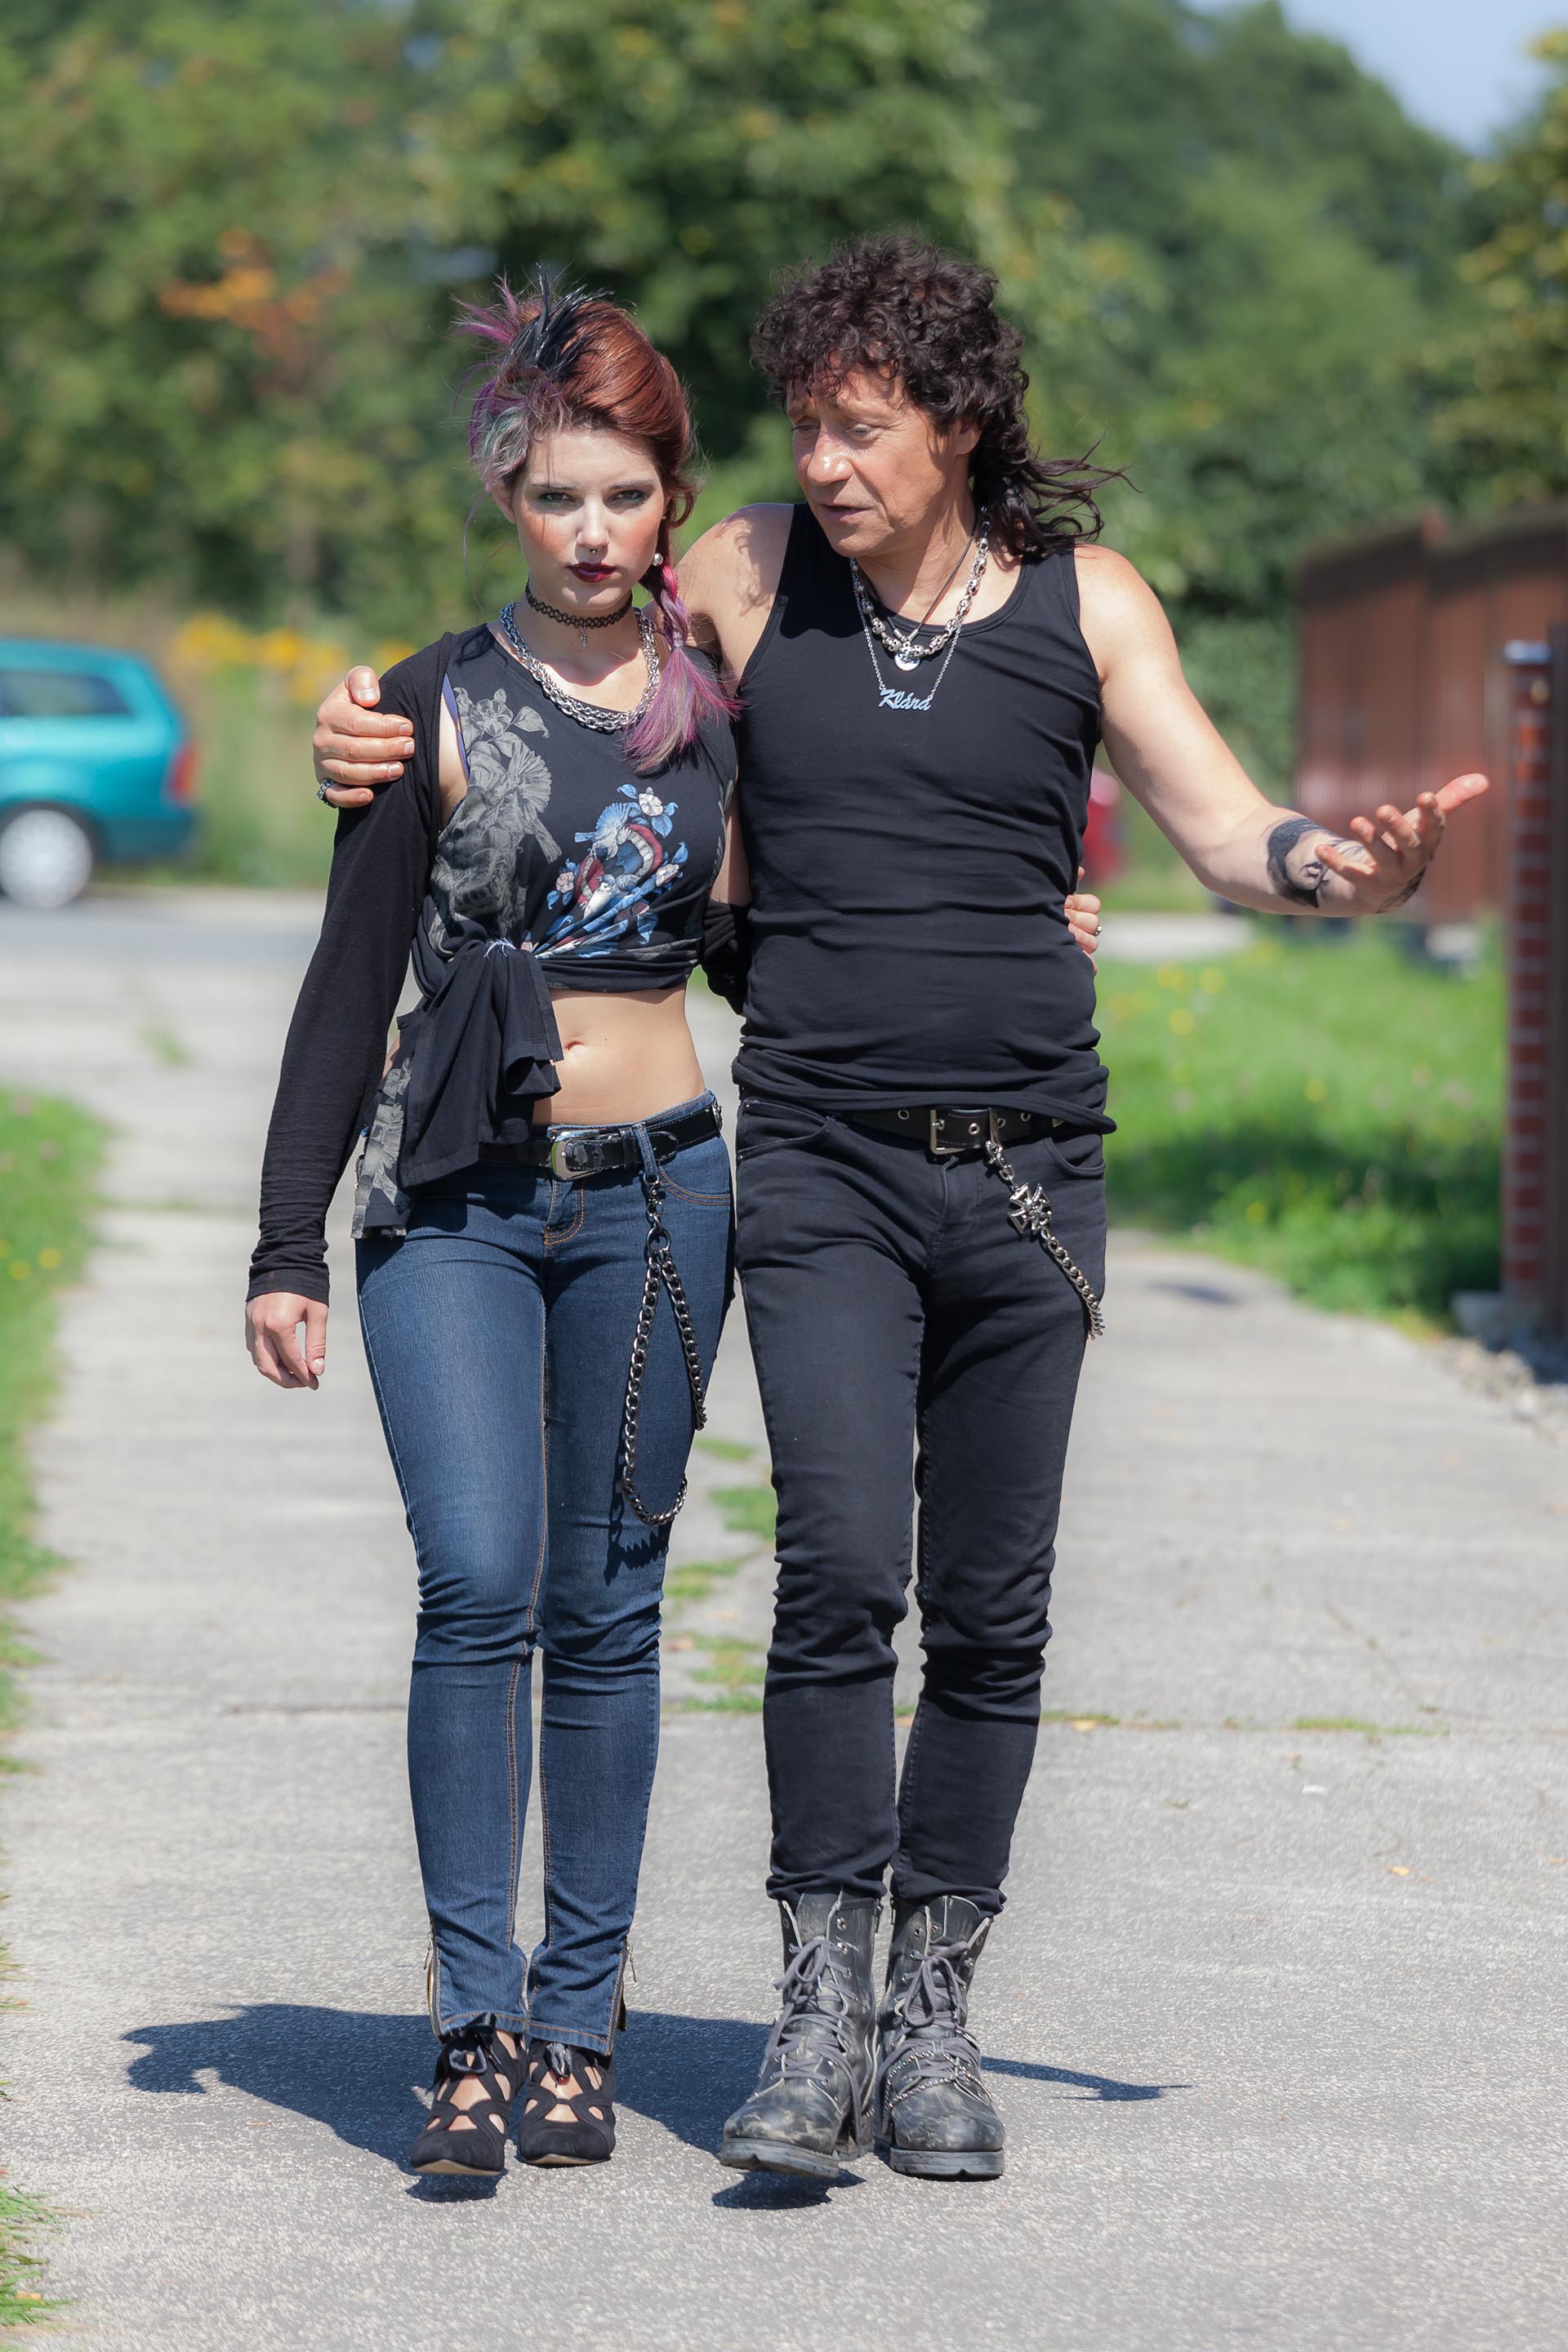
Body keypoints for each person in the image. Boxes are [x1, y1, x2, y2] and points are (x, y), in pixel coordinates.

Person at [312, 237, 1486, 2185]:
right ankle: (815, 2005)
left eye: (863, 429)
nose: (827, 463)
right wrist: (371, 716)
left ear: (959, 422)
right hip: (824, 1160)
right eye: (807, 427)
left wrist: (1337, 872)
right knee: (841, 1573)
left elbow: (1226, 826)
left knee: (997, 1610)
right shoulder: (749, 572)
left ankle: (932, 2014)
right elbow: (563, 632)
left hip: (1033, 1175)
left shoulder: (1091, 604)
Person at [245, 275, 744, 2176]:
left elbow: (783, 948)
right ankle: (468, 2025)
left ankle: (577, 2025)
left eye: (625, 495)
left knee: (608, 1611)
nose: (591, 531)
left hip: (660, 1202)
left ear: (672, 501)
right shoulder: (420, 703)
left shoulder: (722, 711)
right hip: (450, 1202)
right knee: (476, 1581)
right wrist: (286, 1243)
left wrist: (1019, 935)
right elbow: (346, 976)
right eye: (557, 496)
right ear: (507, 499)